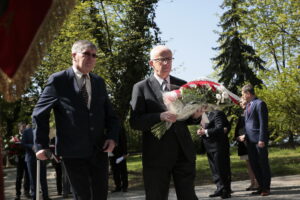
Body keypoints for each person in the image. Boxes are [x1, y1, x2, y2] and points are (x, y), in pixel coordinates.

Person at [32, 40, 120, 200]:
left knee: (100, 196)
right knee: (83, 196)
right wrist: (40, 145)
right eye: (86, 54)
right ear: (74, 55)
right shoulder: (58, 80)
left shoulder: (99, 82)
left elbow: (111, 116)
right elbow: (39, 114)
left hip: (99, 149)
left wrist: (112, 138)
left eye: (94, 55)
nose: (91, 58)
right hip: (72, 151)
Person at [129, 45, 202, 200]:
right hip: (156, 154)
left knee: (188, 195)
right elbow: (135, 121)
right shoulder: (141, 87)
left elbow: (186, 118)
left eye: (169, 59)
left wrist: (196, 115)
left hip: (183, 151)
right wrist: (159, 116)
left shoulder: (183, 85)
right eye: (162, 59)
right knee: (156, 196)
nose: (166, 63)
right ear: (151, 63)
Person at [241, 84, 271, 196]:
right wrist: (244, 136)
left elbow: (263, 123)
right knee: (254, 165)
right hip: (249, 141)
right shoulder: (248, 105)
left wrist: (262, 139)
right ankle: (260, 186)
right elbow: (249, 123)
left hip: (259, 140)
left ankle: (266, 188)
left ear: (248, 93)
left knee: (263, 164)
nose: (242, 96)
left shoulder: (260, 104)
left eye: (242, 93)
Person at [197, 109, 232, 199]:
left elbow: (220, 128)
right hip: (209, 146)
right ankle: (219, 188)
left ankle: (226, 190)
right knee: (214, 170)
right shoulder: (203, 115)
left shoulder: (217, 113)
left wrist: (205, 132)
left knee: (222, 169)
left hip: (218, 146)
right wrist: (201, 131)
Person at [234, 98, 258, 191]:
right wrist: (237, 137)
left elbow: (253, 126)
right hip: (243, 143)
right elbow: (239, 127)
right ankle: (252, 183)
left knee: (254, 163)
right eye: (239, 102)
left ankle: (258, 183)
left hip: (251, 141)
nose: (240, 103)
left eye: (242, 101)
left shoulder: (252, 111)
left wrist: (246, 136)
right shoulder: (242, 113)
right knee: (248, 164)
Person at [21, 125, 51, 200]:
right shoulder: (26, 131)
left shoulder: (42, 130)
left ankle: (46, 196)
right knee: (32, 179)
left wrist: (42, 147)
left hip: (42, 157)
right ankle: (34, 196)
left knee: (43, 178)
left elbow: (47, 142)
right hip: (30, 158)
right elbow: (23, 143)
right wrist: (32, 146)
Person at [13, 122, 31, 200]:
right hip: (20, 159)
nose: (24, 128)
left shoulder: (28, 135)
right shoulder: (16, 137)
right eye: (22, 127)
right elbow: (12, 148)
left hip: (27, 158)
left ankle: (26, 192)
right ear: (19, 128)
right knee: (19, 177)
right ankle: (18, 194)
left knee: (27, 176)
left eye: (25, 126)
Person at [109, 126, 128, 193]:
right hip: (112, 152)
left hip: (121, 152)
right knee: (115, 170)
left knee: (123, 169)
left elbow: (124, 140)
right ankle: (118, 186)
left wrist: (125, 152)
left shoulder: (120, 128)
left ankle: (125, 186)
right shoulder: (109, 129)